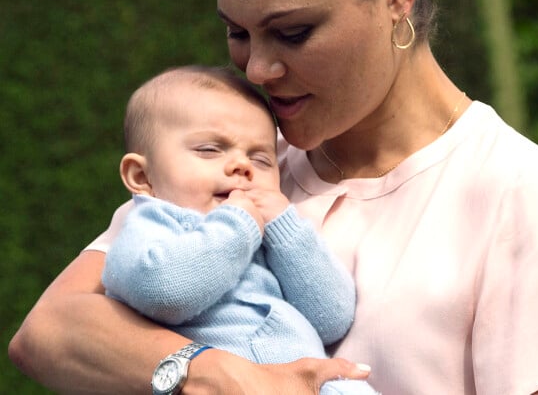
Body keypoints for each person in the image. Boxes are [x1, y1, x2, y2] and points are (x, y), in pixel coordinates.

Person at [9, 0, 538, 395]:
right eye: (237, 31)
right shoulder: (240, 163)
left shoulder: (532, 196)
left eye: (293, 31)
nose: (256, 69)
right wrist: (217, 374)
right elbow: (48, 331)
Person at [101, 64, 376, 395]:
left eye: (261, 160)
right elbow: (166, 293)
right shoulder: (152, 225)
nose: (242, 166)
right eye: (210, 149)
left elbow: (332, 318)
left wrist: (284, 226)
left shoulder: (265, 235)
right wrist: (238, 226)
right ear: (141, 177)